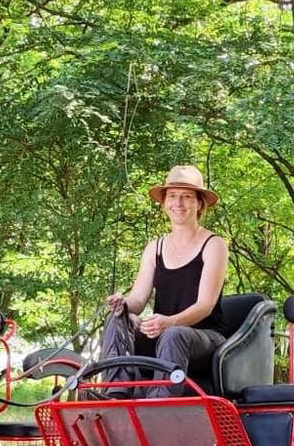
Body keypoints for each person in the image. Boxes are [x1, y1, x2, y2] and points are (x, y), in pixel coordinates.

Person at [98, 165, 229, 395]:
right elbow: (138, 300)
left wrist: (169, 322)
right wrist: (123, 304)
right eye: (173, 196)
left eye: (186, 197)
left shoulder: (214, 245)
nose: (178, 203)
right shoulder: (154, 248)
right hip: (161, 333)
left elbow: (205, 305)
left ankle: (158, 404)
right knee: (117, 319)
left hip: (203, 338)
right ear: (164, 203)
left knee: (173, 334)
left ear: (199, 204)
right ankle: (116, 393)